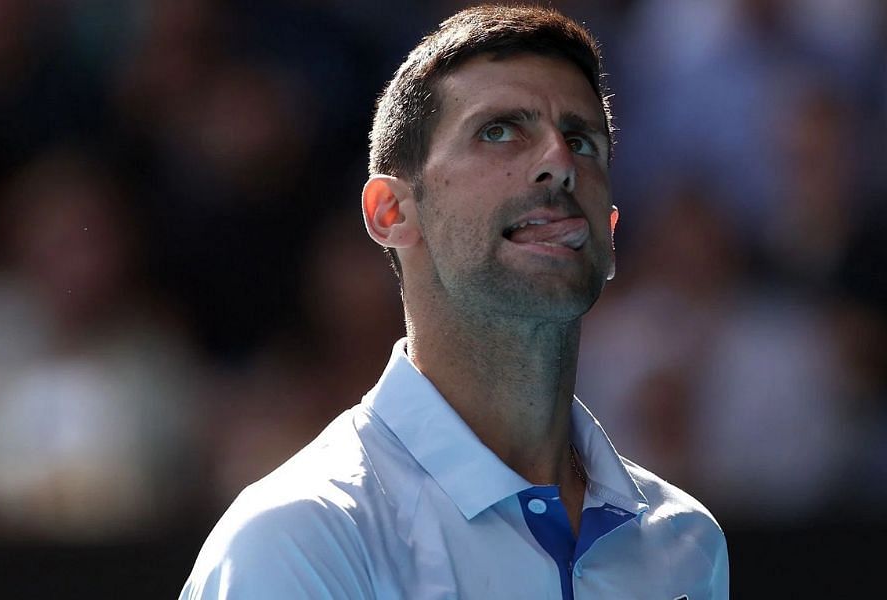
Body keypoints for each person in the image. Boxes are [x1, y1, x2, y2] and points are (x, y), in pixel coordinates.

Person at [179, 5, 729, 599]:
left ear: (609, 231)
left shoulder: (688, 545)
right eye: (498, 131)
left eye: (582, 140)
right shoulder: (298, 540)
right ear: (391, 213)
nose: (559, 163)